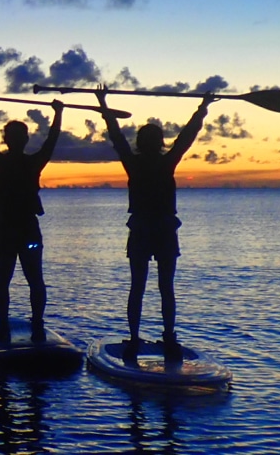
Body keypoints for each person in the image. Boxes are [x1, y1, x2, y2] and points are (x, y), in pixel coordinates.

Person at [94, 87, 214, 364]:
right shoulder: (162, 162)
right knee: (161, 287)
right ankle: (162, 336)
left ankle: (141, 337)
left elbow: (116, 135)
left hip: (150, 230)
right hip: (157, 230)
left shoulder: (137, 163)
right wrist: (202, 107)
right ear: (158, 142)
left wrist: (103, 104)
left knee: (143, 286)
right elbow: (187, 136)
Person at [0, 95, 64, 342]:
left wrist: (59, 114)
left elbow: (51, 141)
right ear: (8, 139)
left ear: (24, 139)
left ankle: (34, 323)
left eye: (19, 136)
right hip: (8, 228)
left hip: (23, 228)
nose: (15, 140)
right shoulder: (1, 161)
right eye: (12, 136)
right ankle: (7, 324)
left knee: (32, 278)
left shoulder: (31, 162)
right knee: (6, 279)